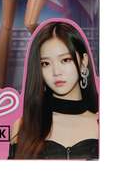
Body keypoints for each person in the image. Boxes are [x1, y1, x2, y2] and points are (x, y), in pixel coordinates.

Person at [9, 20, 99, 159]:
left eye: (65, 60)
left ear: (83, 61)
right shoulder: (23, 126)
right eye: (45, 63)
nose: (56, 72)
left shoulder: (99, 123)